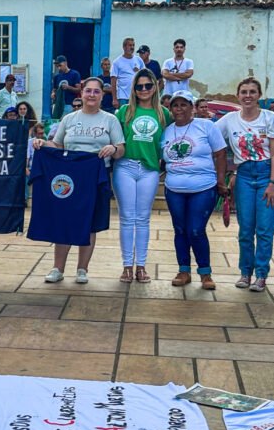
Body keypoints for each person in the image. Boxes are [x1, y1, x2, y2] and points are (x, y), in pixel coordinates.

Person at [33, 76, 124, 284]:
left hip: (95, 177)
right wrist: (42, 143)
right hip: (70, 178)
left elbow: (121, 149)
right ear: (81, 93)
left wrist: (113, 148)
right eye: (88, 91)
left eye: (96, 91)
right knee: (63, 221)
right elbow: (57, 145)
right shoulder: (69, 119)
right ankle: (58, 268)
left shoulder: (110, 120)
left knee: (90, 224)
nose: (91, 95)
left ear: (102, 95)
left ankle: (82, 269)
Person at [217, 78, 274, 292]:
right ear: (238, 95)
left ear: (259, 95)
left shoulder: (270, 117)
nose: (248, 96)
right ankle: (245, 272)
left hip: (266, 174)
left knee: (264, 229)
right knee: (246, 230)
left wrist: (273, 182)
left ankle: (261, 275)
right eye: (244, 91)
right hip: (244, 174)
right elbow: (210, 138)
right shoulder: (229, 119)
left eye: (252, 92)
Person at [162, 90, 228, 290]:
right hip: (174, 188)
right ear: (170, 108)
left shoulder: (206, 126)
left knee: (196, 230)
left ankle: (205, 273)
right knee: (180, 229)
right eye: (175, 105)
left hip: (204, 186)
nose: (179, 109)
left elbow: (221, 154)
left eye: (184, 104)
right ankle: (183, 270)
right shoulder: (166, 131)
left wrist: (221, 181)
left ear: (192, 107)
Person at [114, 68, 171, 284]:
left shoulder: (163, 114)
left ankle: (141, 266)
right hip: (125, 167)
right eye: (140, 86)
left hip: (149, 169)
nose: (144, 89)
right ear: (134, 89)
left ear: (155, 87)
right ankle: (127, 266)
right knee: (127, 218)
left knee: (143, 218)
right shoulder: (125, 111)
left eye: (148, 85)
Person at [111, 38, 145, 106]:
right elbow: (113, 81)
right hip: (122, 97)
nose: (132, 47)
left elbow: (145, 75)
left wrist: (138, 71)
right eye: (130, 45)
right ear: (124, 47)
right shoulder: (117, 62)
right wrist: (114, 99)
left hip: (136, 95)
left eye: (133, 45)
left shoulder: (139, 60)